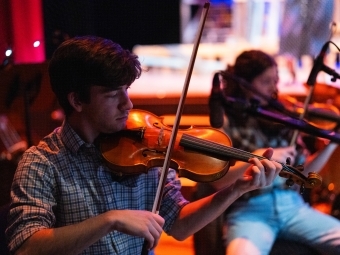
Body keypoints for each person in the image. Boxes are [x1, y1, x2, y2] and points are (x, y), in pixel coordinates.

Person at [4, 36, 282, 255]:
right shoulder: (41, 163)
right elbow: (27, 246)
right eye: (114, 95)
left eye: (127, 90)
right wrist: (109, 220)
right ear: (77, 101)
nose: (128, 104)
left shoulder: (146, 149)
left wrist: (236, 189)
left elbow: (181, 224)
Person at [194, 50, 340, 255]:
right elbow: (219, 182)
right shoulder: (226, 121)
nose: (273, 88)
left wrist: (332, 144)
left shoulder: (282, 117)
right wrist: (255, 157)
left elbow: (302, 175)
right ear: (244, 85)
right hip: (249, 211)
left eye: (275, 81)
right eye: (265, 81)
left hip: (293, 207)